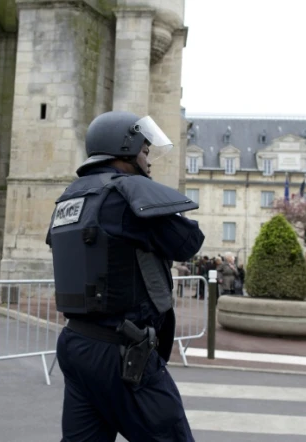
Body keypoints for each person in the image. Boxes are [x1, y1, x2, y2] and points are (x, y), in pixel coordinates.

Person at [46, 111, 205, 441]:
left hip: (76, 344)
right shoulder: (125, 194)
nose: (149, 161)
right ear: (126, 149)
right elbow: (188, 242)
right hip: (121, 353)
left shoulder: (70, 197)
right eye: (145, 151)